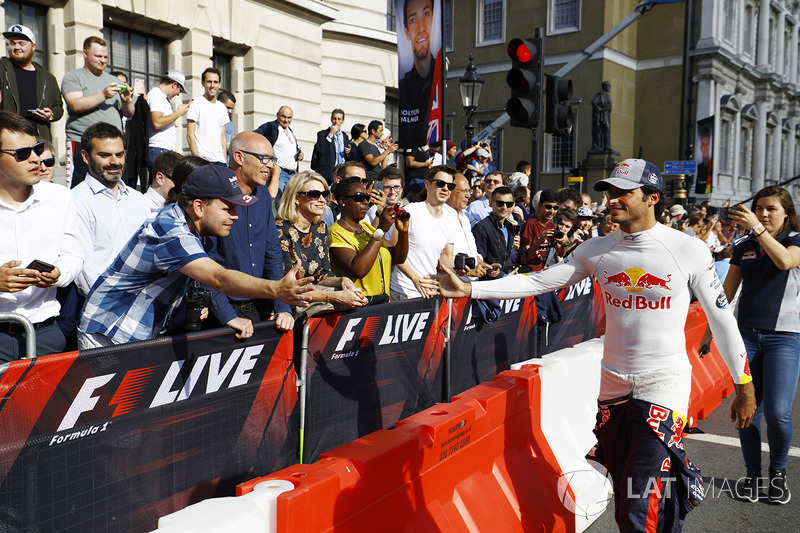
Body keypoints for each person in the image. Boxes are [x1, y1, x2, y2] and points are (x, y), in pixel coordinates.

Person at [430, 158, 756, 533]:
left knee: (638, 506)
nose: (613, 199)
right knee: (628, 492)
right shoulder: (598, 249)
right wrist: (471, 289)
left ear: (651, 198)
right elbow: (540, 283)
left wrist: (743, 384)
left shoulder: (688, 249)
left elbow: (722, 319)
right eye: (610, 192)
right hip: (613, 385)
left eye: (623, 192)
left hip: (664, 384)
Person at [78, 165, 314, 348]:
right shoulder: (172, 231)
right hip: (108, 331)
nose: (235, 216)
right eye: (228, 208)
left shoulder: (192, 225)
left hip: (133, 331)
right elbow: (218, 278)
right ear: (199, 207)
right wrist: (275, 289)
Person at [701, 186, 800, 504]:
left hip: (785, 337)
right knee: (748, 411)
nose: (764, 214)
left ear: (786, 212)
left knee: (778, 412)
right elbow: (725, 295)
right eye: (759, 208)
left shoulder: (795, 240)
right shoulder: (743, 245)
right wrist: (708, 330)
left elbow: (785, 262)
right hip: (746, 337)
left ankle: (779, 474)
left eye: (771, 209)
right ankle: (754, 477)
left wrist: (758, 231)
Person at [0, 111, 82, 360]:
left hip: (46, 335)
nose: (36, 159)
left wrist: (59, 273)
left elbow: (74, 255)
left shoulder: (59, 197)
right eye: (22, 154)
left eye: (36, 149)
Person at [203, 131, 294, 336]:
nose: (270, 165)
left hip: (257, 310)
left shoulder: (262, 195)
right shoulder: (212, 193)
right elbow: (202, 263)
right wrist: (227, 315)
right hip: (219, 314)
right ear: (238, 157)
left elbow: (272, 252)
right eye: (264, 159)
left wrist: (282, 307)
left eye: (273, 159)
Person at [72, 122, 150, 296]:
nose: (114, 162)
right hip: (105, 302)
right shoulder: (76, 200)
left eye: (120, 154)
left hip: (144, 299)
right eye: (105, 155)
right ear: (85, 157)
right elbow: (84, 266)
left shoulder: (138, 199)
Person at [275, 170, 367, 310]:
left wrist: (343, 280)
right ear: (296, 198)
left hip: (315, 300)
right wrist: (336, 297)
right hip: (289, 305)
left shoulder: (320, 228)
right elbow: (288, 285)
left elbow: (323, 274)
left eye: (324, 194)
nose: (322, 200)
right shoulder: (280, 229)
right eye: (314, 195)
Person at [62, 36, 134, 187]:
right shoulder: (73, 77)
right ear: (85, 54)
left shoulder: (115, 80)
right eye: (98, 56)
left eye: (105, 57)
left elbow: (129, 113)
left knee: (113, 185)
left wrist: (127, 100)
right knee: (79, 185)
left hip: (112, 145)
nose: (103, 60)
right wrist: (103, 95)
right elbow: (75, 104)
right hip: (82, 142)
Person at [329, 176, 409, 302]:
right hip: (358, 307)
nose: (366, 202)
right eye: (360, 198)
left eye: (367, 198)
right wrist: (381, 229)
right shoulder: (335, 232)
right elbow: (359, 270)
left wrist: (403, 233)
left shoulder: (366, 227)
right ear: (342, 201)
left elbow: (398, 258)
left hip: (382, 304)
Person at [390, 165, 457, 300]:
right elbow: (394, 251)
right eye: (440, 183)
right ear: (427, 184)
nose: (445, 188)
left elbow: (446, 258)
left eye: (450, 186)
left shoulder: (451, 219)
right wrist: (415, 279)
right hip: (403, 290)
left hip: (430, 292)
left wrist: (462, 269)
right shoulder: (411, 211)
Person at [0, 25, 63, 142]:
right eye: (12, 43)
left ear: (33, 47)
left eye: (21, 43)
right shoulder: (2, 69)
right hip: (9, 139)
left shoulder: (47, 77)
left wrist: (50, 114)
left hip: (39, 140)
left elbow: (58, 107)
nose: (16, 47)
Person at [398, 0, 436, 148]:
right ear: (406, 32)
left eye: (426, 14)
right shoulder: (404, 86)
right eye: (413, 20)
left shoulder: (439, 80)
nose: (421, 27)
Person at [254, 105, 303, 198]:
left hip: (293, 175)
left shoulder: (290, 131)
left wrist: (300, 154)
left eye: (289, 117)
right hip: (280, 174)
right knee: (277, 202)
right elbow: (253, 136)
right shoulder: (270, 127)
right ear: (277, 115)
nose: (286, 120)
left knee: (289, 204)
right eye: (283, 116)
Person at [472, 186, 520, 279]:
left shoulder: (510, 227)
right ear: (491, 203)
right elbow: (478, 260)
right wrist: (500, 274)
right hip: (489, 284)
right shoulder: (481, 228)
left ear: (513, 205)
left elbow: (507, 259)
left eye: (509, 204)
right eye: (500, 203)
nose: (504, 207)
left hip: (507, 279)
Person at [186, 67, 228, 165]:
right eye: (209, 81)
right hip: (203, 159)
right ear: (203, 83)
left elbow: (223, 138)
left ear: (219, 84)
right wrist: (197, 159)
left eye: (215, 82)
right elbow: (190, 135)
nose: (212, 85)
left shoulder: (222, 107)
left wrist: (224, 160)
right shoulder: (196, 103)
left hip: (220, 161)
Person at [147, 70, 189, 163]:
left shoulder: (159, 96)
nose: (178, 94)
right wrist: (178, 113)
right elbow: (157, 122)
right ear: (174, 85)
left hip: (161, 149)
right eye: (180, 90)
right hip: (159, 149)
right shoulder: (157, 95)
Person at [519, 188, 559, 272]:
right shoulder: (530, 224)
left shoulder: (551, 225)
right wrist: (540, 240)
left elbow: (561, 253)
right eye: (548, 207)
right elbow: (524, 259)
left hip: (541, 273)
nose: (552, 211)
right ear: (539, 205)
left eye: (555, 208)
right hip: (528, 274)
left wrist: (564, 243)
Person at [311, 109, 349, 184]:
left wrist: (348, 152)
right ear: (331, 119)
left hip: (341, 173)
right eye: (334, 118)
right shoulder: (323, 134)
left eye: (339, 119)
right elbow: (320, 150)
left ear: (343, 121)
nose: (336, 121)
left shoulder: (345, 136)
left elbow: (347, 156)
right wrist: (330, 135)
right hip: (327, 173)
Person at [144, 150, 182, 214]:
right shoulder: (141, 207)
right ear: (160, 178)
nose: (181, 187)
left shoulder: (179, 208)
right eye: (177, 180)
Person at [590, 81, 612, 153]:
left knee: (607, 130)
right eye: (608, 86)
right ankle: (599, 146)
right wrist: (599, 109)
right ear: (604, 86)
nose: (609, 88)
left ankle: (606, 146)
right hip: (601, 116)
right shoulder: (600, 94)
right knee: (600, 131)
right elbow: (594, 102)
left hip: (606, 115)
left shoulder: (607, 96)